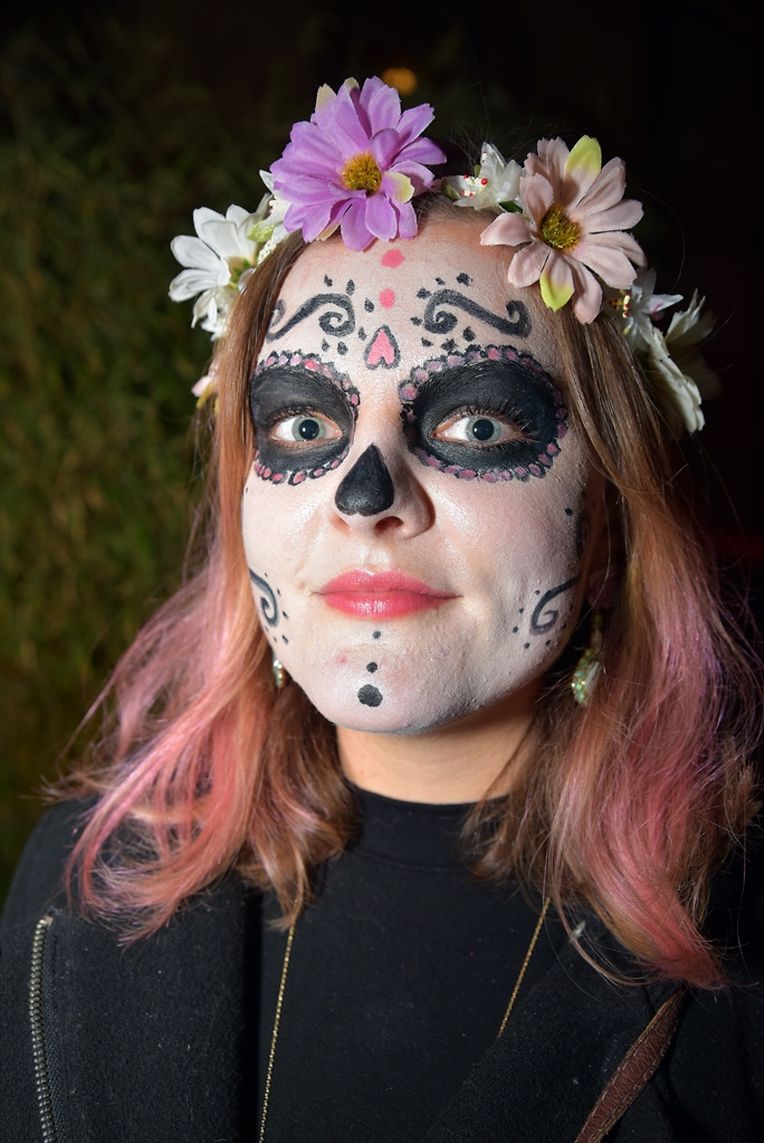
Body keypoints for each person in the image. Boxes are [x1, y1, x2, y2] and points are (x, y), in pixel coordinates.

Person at [1, 76, 762, 1143]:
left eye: (478, 427)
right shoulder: (80, 888)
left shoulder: (738, 946)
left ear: (606, 529)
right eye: (304, 427)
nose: (365, 497)